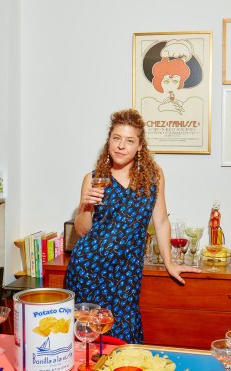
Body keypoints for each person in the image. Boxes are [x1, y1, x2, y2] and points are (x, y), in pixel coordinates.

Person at [66, 109, 201, 344]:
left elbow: (160, 221)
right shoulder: (93, 177)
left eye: (129, 141)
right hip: (89, 270)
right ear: (109, 140)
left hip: (126, 273)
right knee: (88, 341)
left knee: (125, 338)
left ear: (140, 146)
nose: (121, 146)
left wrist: (169, 263)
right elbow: (82, 230)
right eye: (116, 138)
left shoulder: (153, 176)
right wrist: (86, 205)